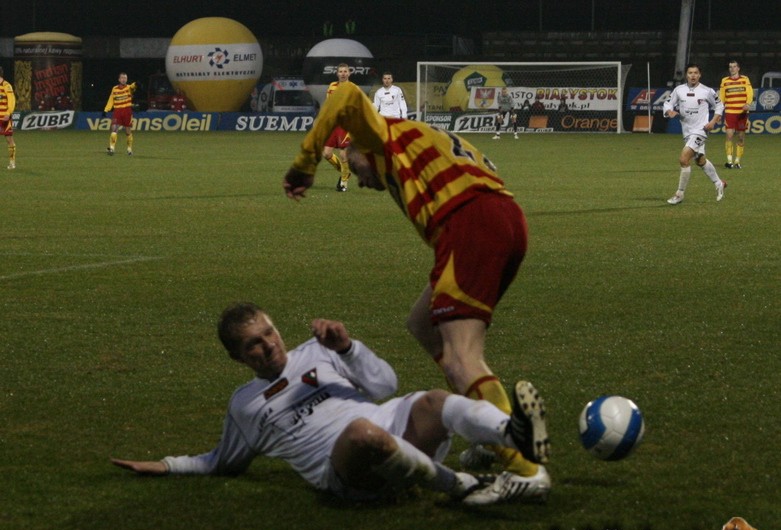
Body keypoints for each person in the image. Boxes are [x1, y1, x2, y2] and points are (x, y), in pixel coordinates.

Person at [283, 81, 551, 490]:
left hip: (470, 222)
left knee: (462, 358)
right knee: (422, 324)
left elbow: (345, 95)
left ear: (362, 149)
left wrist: (305, 162)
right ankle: (489, 430)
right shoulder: (419, 140)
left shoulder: (382, 135)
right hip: (504, 218)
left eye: (353, 167)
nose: (360, 180)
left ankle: (523, 467)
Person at [111, 303, 551, 505]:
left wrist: (348, 349)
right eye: (253, 345)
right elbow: (220, 462)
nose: (268, 345)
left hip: (392, 427)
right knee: (362, 435)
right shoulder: (246, 405)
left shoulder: (319, 351)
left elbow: (385, 385)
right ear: (237, 358)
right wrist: (167, 465)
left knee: (434, 400)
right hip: (347, 471)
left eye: (269, 333)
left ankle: (513, 434)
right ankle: (464, 485)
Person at [663, 63, 726, 205]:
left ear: (700, 75)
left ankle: (679, 194)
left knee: (684, 159)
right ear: (686, 75)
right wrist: (669, 111)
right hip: (687, 131)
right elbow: (667, 103)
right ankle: (719, 183)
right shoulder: (679, 90)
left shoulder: (707, 91)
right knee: (700, 161)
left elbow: (719, 105)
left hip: (701, 130)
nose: (693, 75)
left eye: (696, 73)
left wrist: (713, 122)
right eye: (690, 73)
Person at [323, 63, 352, 192]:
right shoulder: (332, 86)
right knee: (326, 153)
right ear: (337, 73)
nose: (343, 73)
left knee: (343, 153)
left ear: (349, 73)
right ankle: (345, 171)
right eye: (340, 71)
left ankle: (344, 183)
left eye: (345, 71)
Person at [719, 59, 753, 169]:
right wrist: (719, 112)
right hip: (730, 112)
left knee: (741, 137)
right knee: (729, 135)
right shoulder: (724, 81)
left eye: (734, 66)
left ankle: (737, 162)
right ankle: (729, 161)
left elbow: (749, 93)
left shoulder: (745, 79)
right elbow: (722, 97)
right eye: (730, 67)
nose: (732, 69)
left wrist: (748, 104)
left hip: (742, 113)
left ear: (738, 68)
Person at [104, 72, 137, 156]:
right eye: (122, 78)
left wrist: (136, 84)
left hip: (127, 111)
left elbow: (133, 86)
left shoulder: (129, 88)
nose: (124, 79)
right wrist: (106, 109)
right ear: (119, 79)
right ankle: (112, 148)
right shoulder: (114, 89)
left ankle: (129, 149)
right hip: (117, 111)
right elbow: (111, 99)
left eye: (125, 78)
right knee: (114, 129)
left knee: (128, 131)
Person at [0, 67, 17, 170]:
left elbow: (12, 100)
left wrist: (8, 112)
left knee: (9, 139)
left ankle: (12, 162)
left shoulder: (6, 85)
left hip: (4, 117)